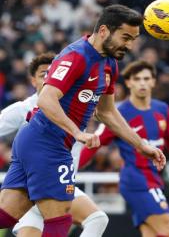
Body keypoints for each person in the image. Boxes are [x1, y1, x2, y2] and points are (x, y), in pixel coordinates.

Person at [0, 5, 166, 237]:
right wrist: (76, 132)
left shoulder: (109, 64)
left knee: (6, 215)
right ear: (104, 31)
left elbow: (107, 112)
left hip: (39, 142)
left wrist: (141, 145)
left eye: (133, 40)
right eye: (125, 37)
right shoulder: (76, 56)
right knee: (60, 217)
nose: (129, 46)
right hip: (47, 142)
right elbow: (46, 99)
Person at [79, 60, 169, 237]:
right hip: (136, 180)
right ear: (128, 83)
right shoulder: (118, 114)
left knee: (150, 233)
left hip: (155, 178)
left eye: (146, 78)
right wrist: (71, 169)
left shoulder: (162, 109)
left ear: (153, 81)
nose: (142, 83)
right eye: (137, 79)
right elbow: (94, 143)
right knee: (168, 230)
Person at [0, 54, 110, 236]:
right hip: (33, 186)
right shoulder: (22, 109)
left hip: (61, 182)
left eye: (54, 73)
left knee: (97, 219)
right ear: (32, 80)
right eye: (44, 74)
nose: (49, 77)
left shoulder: (74, 104)